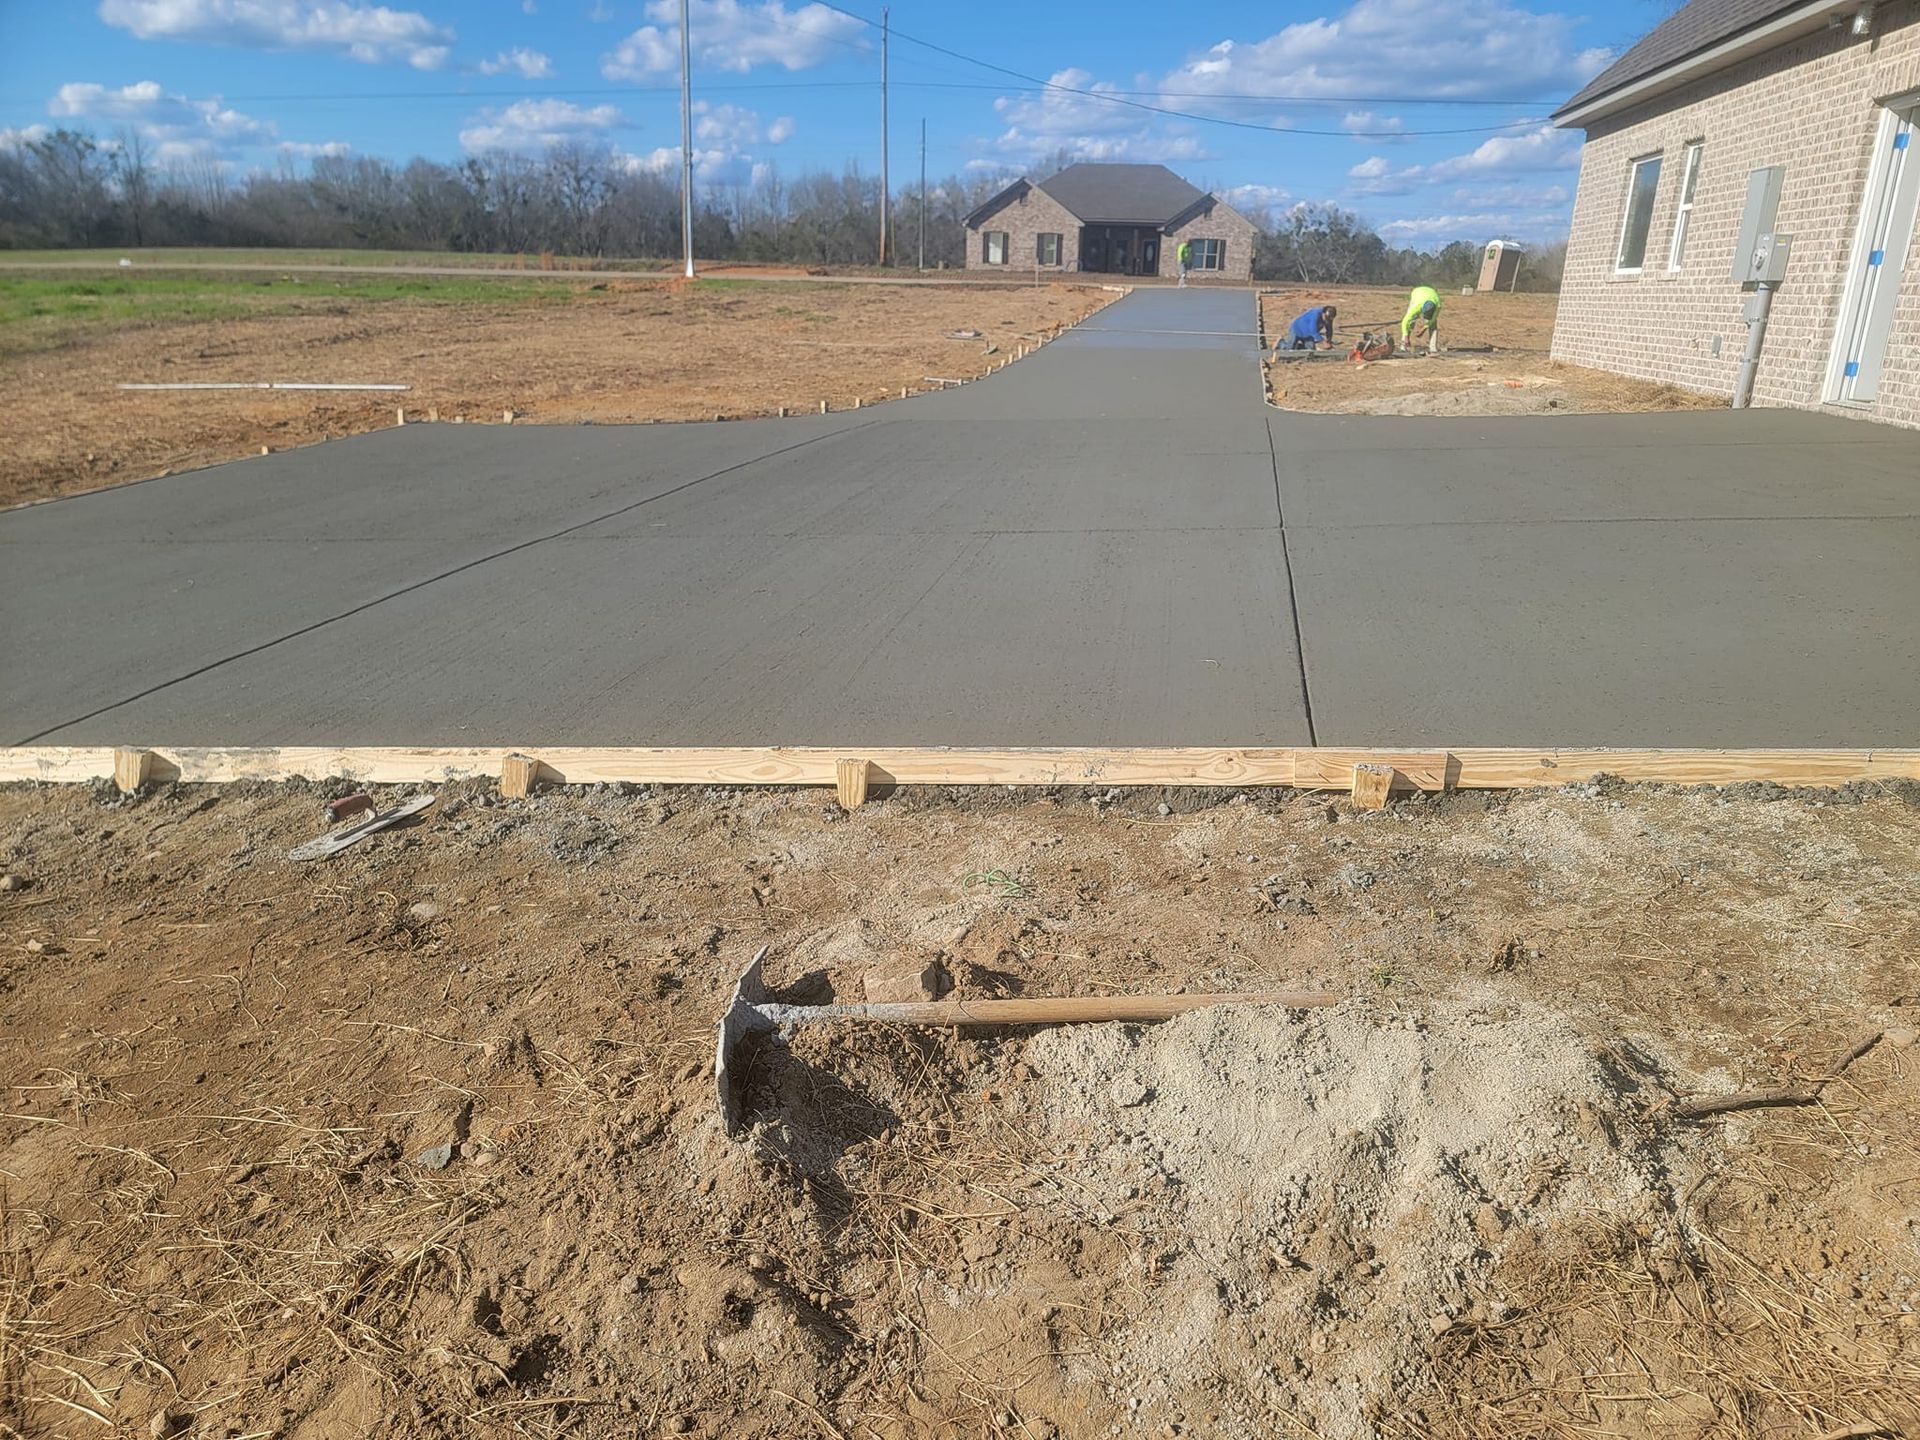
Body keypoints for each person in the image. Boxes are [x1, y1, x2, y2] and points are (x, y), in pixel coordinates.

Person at [1400, 285, 1443, 354]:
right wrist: (1405, 336)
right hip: (1417, 293)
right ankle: (1404, 345)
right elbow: (1405, 321)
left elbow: (1432, 320)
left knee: (1433, 326)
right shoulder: (1417, 306)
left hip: (1431, 293)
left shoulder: (1437, 306)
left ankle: (1433, 348)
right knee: (1411, 321)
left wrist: (1423, 328)